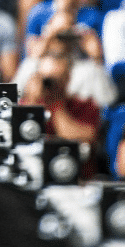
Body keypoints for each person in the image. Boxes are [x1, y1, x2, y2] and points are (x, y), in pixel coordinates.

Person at [20, 33, 101, 178]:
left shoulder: (85, 105)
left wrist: (56, 105)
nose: (50, 85)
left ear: (68, 78)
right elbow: (20, 136)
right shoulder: (29, 103)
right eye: (46, 80)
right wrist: (31, 100)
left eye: (57, 79)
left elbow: (83, 138)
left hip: (73, 178)